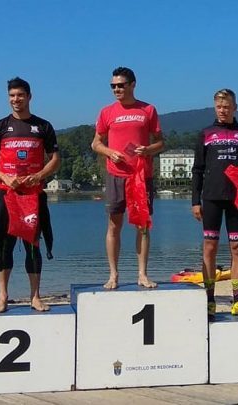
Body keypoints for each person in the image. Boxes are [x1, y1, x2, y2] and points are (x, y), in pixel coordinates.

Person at [0, 77, 60, 313]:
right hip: (7, 194)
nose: (16, 100)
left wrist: (39, 175)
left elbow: (55, 160)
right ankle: (2, 296)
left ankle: (35, 296)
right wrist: (4, 177)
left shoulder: (43, 126)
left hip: (33, 195)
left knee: (33, 244)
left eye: (20, 95)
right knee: (4, 244)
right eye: (12, 96)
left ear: (29, 97)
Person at [91, 67, 164, 290]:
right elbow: (95, 143)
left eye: (121, 85)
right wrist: (109, 152)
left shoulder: (148, 110)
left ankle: (142, 274)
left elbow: (161, 143)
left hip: (141, 177)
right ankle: (113, 275)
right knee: (114, 225)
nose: (116, 89)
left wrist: (148, 150)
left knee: (142, 226)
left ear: (132, 84)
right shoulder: (106, 112)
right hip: (116, 175)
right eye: (113, 86)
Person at [191, 88, 238, 319]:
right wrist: (195, 201)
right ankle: (209, 300)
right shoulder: (206, 133)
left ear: (235, 108)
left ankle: (237, 301)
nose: (223, 111)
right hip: (211, 197)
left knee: (237, 249)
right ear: (215, 108)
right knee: (209, 248)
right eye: (219, 107)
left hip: (236, 198)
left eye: (227, 107)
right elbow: (198, 170)